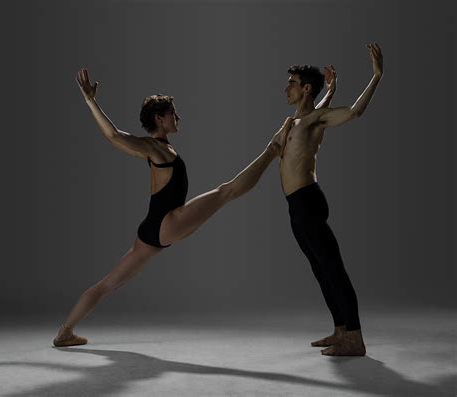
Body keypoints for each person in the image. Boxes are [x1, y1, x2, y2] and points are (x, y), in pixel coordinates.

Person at [53, 68, 293, 347]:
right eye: (173, 113)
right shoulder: (154, 148)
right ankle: (273, 150)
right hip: (166, 223)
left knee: (107, 285)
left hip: (151, 231)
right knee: (225, 191)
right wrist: (90, 101)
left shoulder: (159, 149)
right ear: (159, 118)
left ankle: (64, 332)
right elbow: (114, 136)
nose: (177, 118)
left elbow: (119, 139)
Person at [278, 43, 383, 356]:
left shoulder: (313, 121)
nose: (286, 88)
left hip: (308, 202)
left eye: (292, 83)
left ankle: (355, 338)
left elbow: (354, 112)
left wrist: (376, 76)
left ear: (306, 88)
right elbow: (316, 110)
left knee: (333, 269)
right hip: (296, 206)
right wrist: (332, 88)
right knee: (320, 269)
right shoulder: (298, 121)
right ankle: (341, 330)